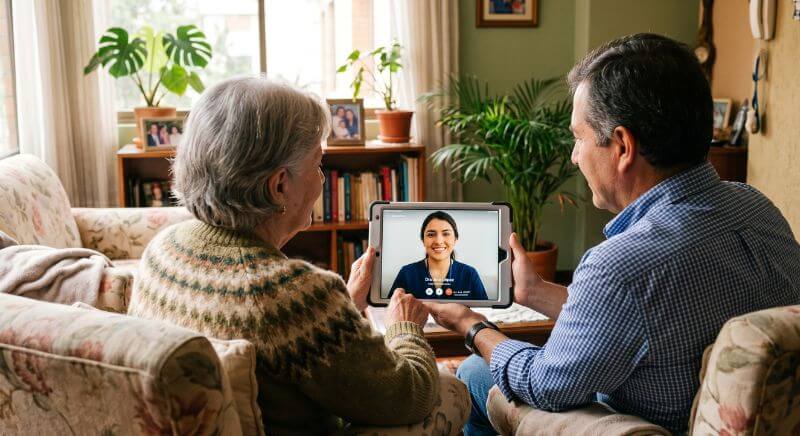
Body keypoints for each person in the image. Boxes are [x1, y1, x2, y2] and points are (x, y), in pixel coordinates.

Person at [425, 33, 800, 435]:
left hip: (646, 427)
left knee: (476, 371)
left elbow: (544, 385)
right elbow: (639, 318)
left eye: (578, 137)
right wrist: (535, 294)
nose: (574, 155)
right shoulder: (756, 207)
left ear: (621, 146)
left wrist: (472, 326)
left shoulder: (622, 264)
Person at [128, 77, 447, 434]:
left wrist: (342, 309)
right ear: (280, 185)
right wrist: (405, 327)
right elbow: (407, 396)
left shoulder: (161, 250)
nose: (323, 180)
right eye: (318, 163)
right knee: (452, 390)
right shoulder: (291, 296)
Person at [390, 211, 487, 300]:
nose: (439, 241)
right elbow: (389, 311)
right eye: (431, 235)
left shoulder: (469, 274)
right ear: (423, 240)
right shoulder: (407, 273)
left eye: (446, 234)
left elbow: (487, 313)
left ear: (455, 239)